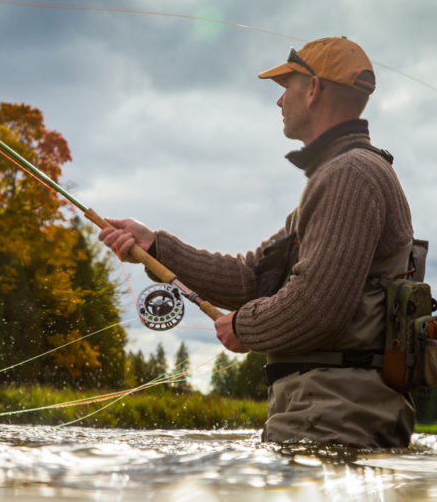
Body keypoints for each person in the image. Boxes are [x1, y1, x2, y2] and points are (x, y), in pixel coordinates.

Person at [98, 37, 416, 448]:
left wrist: (244, 327)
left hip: (334, 421)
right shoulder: (340, 175)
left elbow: (318, 307)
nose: (280, 101)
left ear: (314, 90)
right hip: (323, 415)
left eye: (288, 87)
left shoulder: (350, 175)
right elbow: (254, 278)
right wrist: (156, 245)